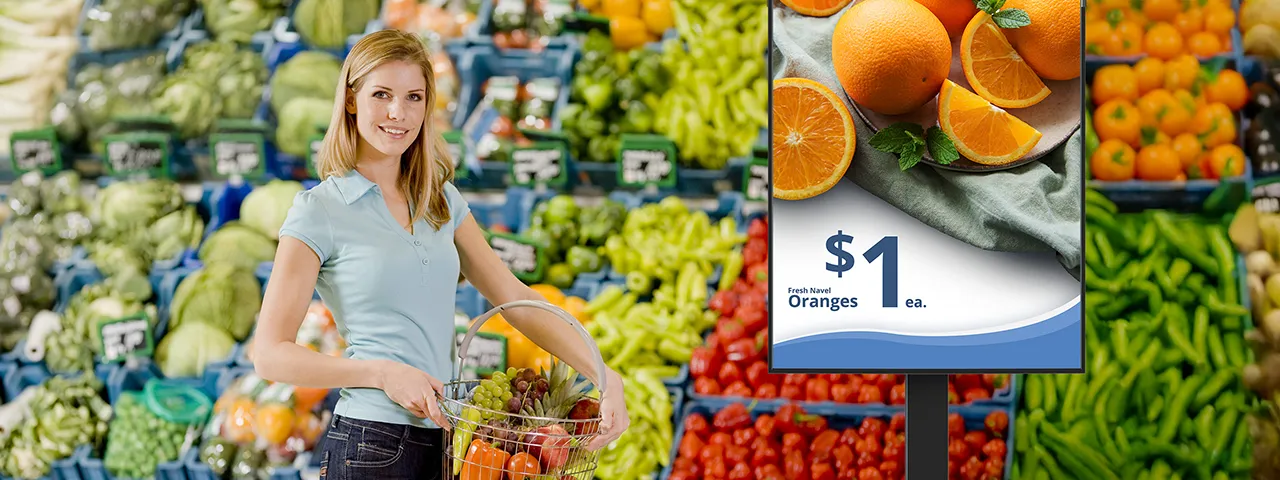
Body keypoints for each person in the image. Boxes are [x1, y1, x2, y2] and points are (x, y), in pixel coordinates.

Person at [251, 29, 629, 479]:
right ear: (351, 101)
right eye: (382, 95)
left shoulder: (440, 202)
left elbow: (515, 300)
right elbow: (269, 354)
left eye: (414, 97)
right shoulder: (320, 210)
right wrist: (381, 373)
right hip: (371, 443)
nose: (398, 113)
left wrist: (605, 377)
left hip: (453, 442)